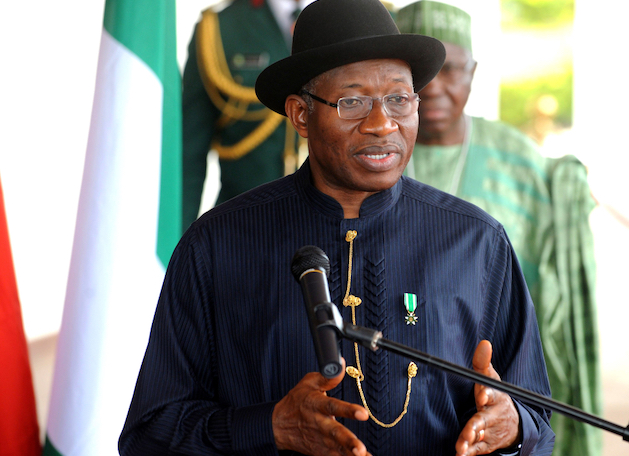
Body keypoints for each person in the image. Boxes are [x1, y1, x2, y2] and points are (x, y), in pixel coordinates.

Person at [119, 0, 555, 454]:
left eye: (399, 99)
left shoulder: (477, 242)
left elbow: (538, 422)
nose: (382, 123)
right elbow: (148, 436)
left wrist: (512, 426)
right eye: (353, 102)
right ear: (300, 115)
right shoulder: (216, 245)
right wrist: (270, 427)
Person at [396, 2, 601, 456]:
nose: (435, 87)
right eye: (420, 73)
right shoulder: (377, 157)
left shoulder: (520, 160)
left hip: (506, 373)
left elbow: (552, 299)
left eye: (452, 70)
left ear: (473, 72)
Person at [181, 0, 314, 232]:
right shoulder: (219, 28)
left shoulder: (359, 18)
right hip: (241, 229)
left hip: (338, 231)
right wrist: (176, 245)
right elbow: (189, 157)